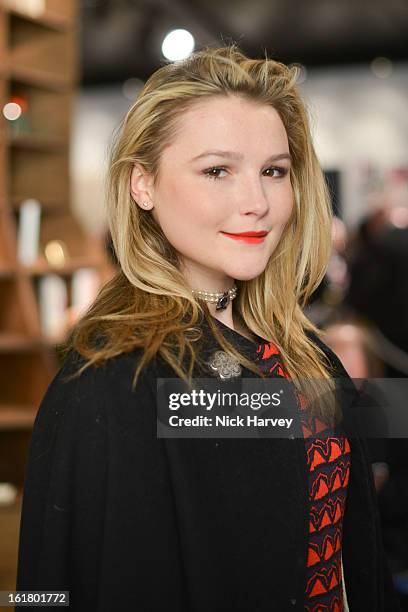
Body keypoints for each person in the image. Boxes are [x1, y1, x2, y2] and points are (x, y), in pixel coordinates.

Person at [16, 44, 400, 611]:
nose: (257, 202)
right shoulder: (116, 380)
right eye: (217, 170)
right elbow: (57, 588)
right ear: (142, 185)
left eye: (274, 171)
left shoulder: (300, 354)